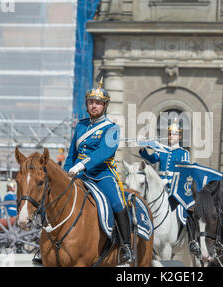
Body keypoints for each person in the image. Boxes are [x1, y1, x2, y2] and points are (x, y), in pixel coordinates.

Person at [63, 77, 133, 264]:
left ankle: (126, 246)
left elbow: (105, 151)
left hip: (102, 174)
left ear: (104, 106)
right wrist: (66, 171)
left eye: (98, 103)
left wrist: (82, 164)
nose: (94, 106)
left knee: (118, 203)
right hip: (78, 175)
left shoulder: (112, 128)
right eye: (91, 102)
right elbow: (72, 153)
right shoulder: (81, 125)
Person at [138, 118, 190, 193]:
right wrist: (143, 148)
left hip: (174, 187)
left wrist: (170, 181)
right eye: (169, 134)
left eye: (174, 134)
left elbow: (185, 173)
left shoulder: (184, 153)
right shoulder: (162, 150)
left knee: (178, 205)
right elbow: (152, 159)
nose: (171, 136)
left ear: (180, 137)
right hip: (159, 184)